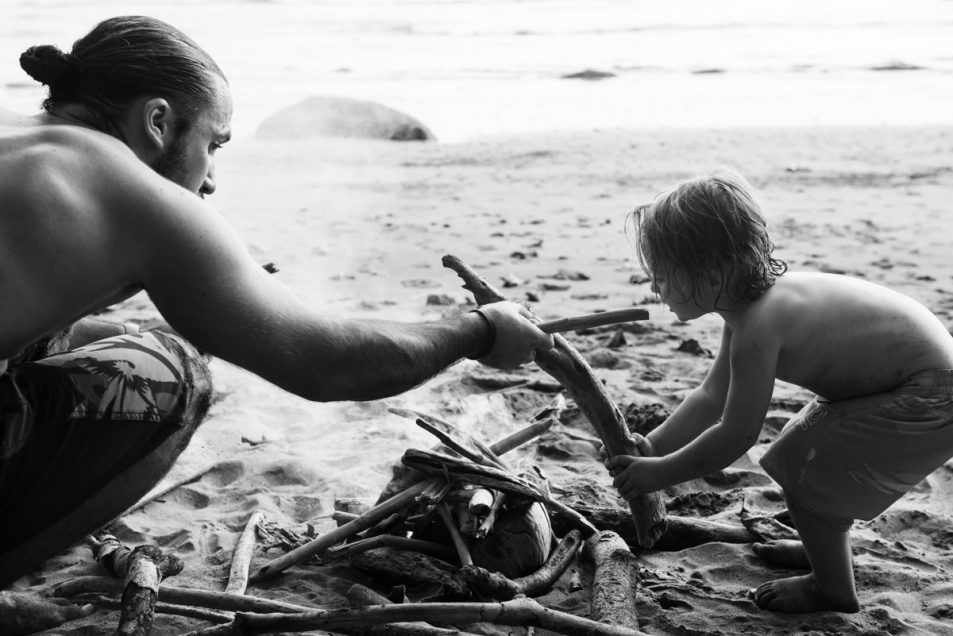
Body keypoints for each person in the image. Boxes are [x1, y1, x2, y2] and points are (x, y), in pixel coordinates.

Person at [0, 15, 554, 598]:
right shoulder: (134, 192)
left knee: (75, 339)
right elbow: (326, 362)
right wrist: (479, 332)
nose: (211, 179)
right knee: (174, 371)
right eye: (213, 145)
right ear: (158, 120)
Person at [606, 170, 953, 614]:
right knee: (801, 456)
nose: (653, 288)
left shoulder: (759, 327)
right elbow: (710, 396)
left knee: (803, 468)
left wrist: (658, 474)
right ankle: (820, 548)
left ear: (709, 274)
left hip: (927, 394)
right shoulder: (748, 313)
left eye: (660, 276)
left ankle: (833, 589)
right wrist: (653, 445)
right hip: (914, 382)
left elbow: (736, 435)